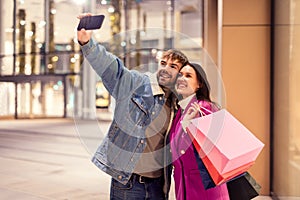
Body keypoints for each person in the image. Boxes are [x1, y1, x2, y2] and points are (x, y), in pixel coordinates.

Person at [77, 14, 188, 200]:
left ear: (180, 74)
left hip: (158, 186)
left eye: (173, 66)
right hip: (128, 183)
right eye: (163, 63)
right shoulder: (137, 83)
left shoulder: (177, 106)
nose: (166, 68)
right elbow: (113, 69)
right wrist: (88, 43)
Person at [169, 63, 230, 200]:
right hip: (185, 187)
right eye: (180, 75)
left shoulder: (204, 109)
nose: (182, 78)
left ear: (199, 84)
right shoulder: (181, 111)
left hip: (204, 190)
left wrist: (188, 125)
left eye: (188, 76)